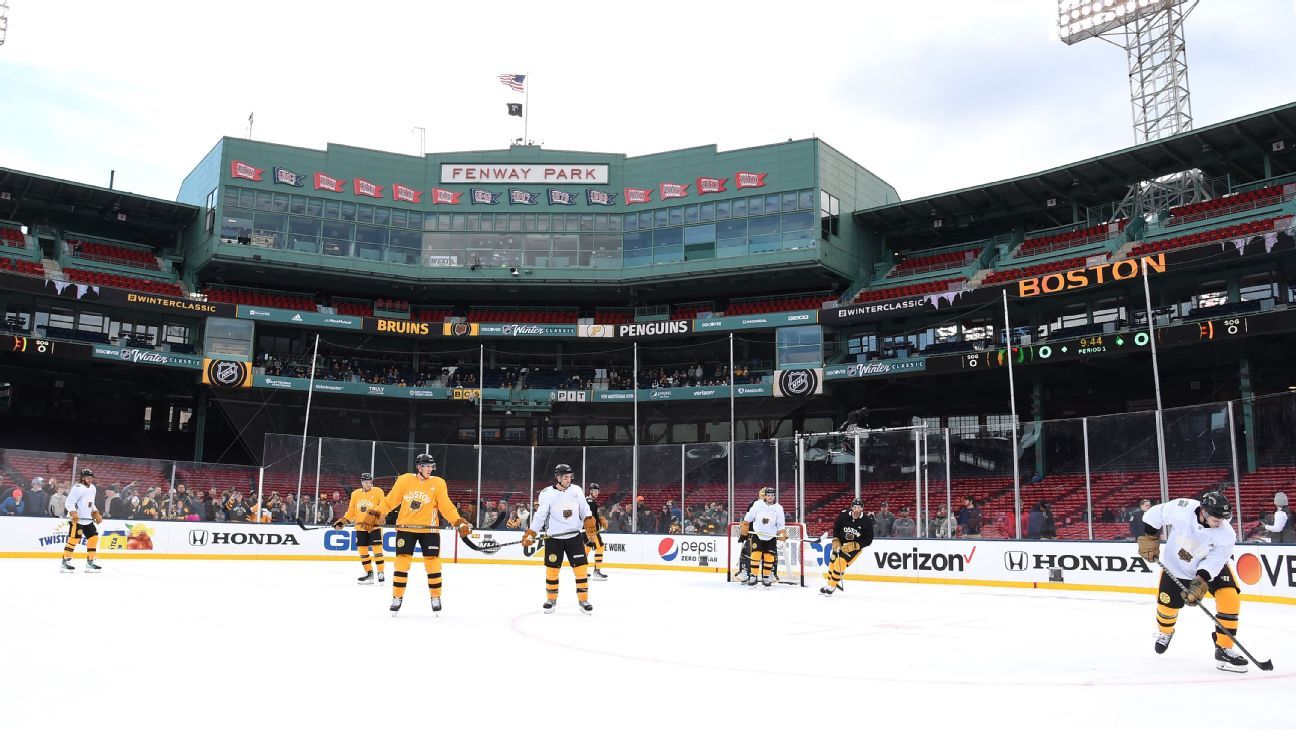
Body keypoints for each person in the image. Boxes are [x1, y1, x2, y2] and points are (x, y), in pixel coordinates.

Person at [1137, 492, 1248, 672]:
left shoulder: (1226, 534)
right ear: (1203, 511)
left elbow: (1215, 561)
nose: (1221, 521)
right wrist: (1150, 538)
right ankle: (1165, 633)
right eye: (1216, 517)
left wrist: (1200, 580)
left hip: (1210, 568)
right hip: (1176, 566)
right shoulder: (1182, 508)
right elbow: (1153, 515)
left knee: (1230, 598)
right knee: (1167, 608)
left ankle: (1224, 649)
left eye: (1224, 517)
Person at [370, 454, 470, 616]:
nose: (430, 469)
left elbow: (446, 506)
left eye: (431, 466)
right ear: (419, 467)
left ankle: (435, 597)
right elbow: (390, 501)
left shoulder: (438, 483)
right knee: (402, 563)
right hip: (406, 529)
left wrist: (457, 521)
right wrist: (378, 513)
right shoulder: (404, 480)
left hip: (429, 531)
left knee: (433, 563)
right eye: (427, 466)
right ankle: (397, 597)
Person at [523, 464, 598, 614]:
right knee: (552, 570)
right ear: (558, 477)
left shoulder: (576, 490)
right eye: (565, 477)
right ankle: (551, 599)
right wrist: (531, 533)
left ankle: (583, 600)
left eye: (570, 477)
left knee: (581, 570)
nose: (568, 479)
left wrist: (589, 522)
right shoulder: (546, 494)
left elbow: (584, 509)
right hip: (553, 539)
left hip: (574, 536)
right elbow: (540, 516)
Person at [331, 472, 387, 585]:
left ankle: (380, 572)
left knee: (377, 549)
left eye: (370, 482)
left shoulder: (378, 491)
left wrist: (379, 516)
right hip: (360, 527)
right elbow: (352, 510)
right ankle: (369, 574)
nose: (368, 484)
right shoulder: (355, 494)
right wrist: (344, 520)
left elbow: (384, 506)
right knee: (362, 551)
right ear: (361, 482)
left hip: (374, 527)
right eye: (366, 482)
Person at [822, 498, 875, 596]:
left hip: (854, 548)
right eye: (855, 507)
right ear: (851, 507)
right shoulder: (843, 515)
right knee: (832, 563)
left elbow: (869, 539)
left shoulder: (866, 521)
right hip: (841, 543)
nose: (856, 510)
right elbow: (836, 528)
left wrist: (856, 545)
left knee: (840, 562)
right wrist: (836, 539)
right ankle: (829, 584)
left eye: (859, 507)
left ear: (862, 509)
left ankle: (832, 586)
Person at [739, 486, 787, 587]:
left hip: (771, 536)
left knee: (769, 557)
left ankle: (766, 577)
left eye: (772, 495)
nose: (770, 497)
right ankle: (753, 576)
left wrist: (782, 532)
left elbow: (780, 524)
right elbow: (750, 516)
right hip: (757, 534)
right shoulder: (758, 504)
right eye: (768, 495)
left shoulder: (778, 508)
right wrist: (745, 524)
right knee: (755, 555)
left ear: (774, 496)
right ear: (765, 496)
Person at [61, 469, 103, 573]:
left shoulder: (93, 488)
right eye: (88, 477)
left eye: (91, 477)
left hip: (87, 519)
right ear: (82, 478)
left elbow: (91, 503)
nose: (90, 479)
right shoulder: (77, 488)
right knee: (74, 540)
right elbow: (69, 502)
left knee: (94, 538)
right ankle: (65, 561)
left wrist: (95, 512)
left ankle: (90, 562)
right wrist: (73, 512)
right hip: (77, 520)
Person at [583, 483, 609, 581]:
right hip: (591, 531)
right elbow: (589, 518)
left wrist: (600, 518)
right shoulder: (590, 502)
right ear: (590, 491)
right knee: (600, 547)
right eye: (594, 491)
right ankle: (597, 572)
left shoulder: (588, 501)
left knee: (587, 548)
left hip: (585, 531)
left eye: (597, 491)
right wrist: (592, 531)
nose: (596, 493)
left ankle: (583, 571)